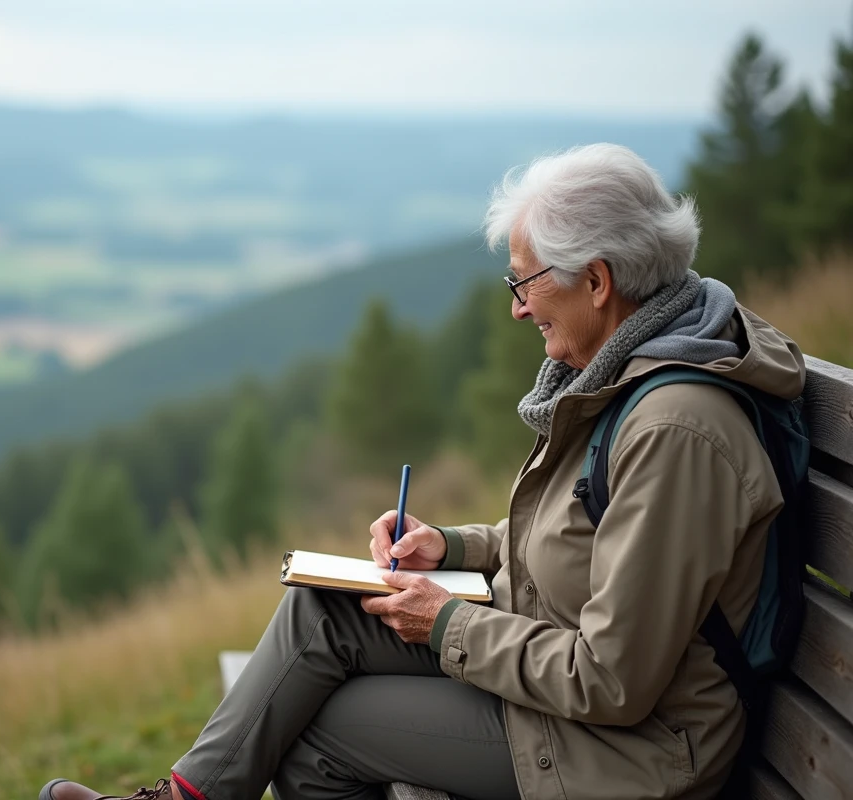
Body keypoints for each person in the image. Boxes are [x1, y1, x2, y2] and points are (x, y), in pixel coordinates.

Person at [39, 143, 806, 800]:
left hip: (630, 749)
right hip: (561, 670)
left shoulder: (674, 429)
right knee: (325, 610)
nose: (516, 308)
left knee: (322, 735)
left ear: (597, 282)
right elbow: (583, 535)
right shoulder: (629, 375)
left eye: (525, 281)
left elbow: (611, 679)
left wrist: (446, 622)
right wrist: (452, 547)